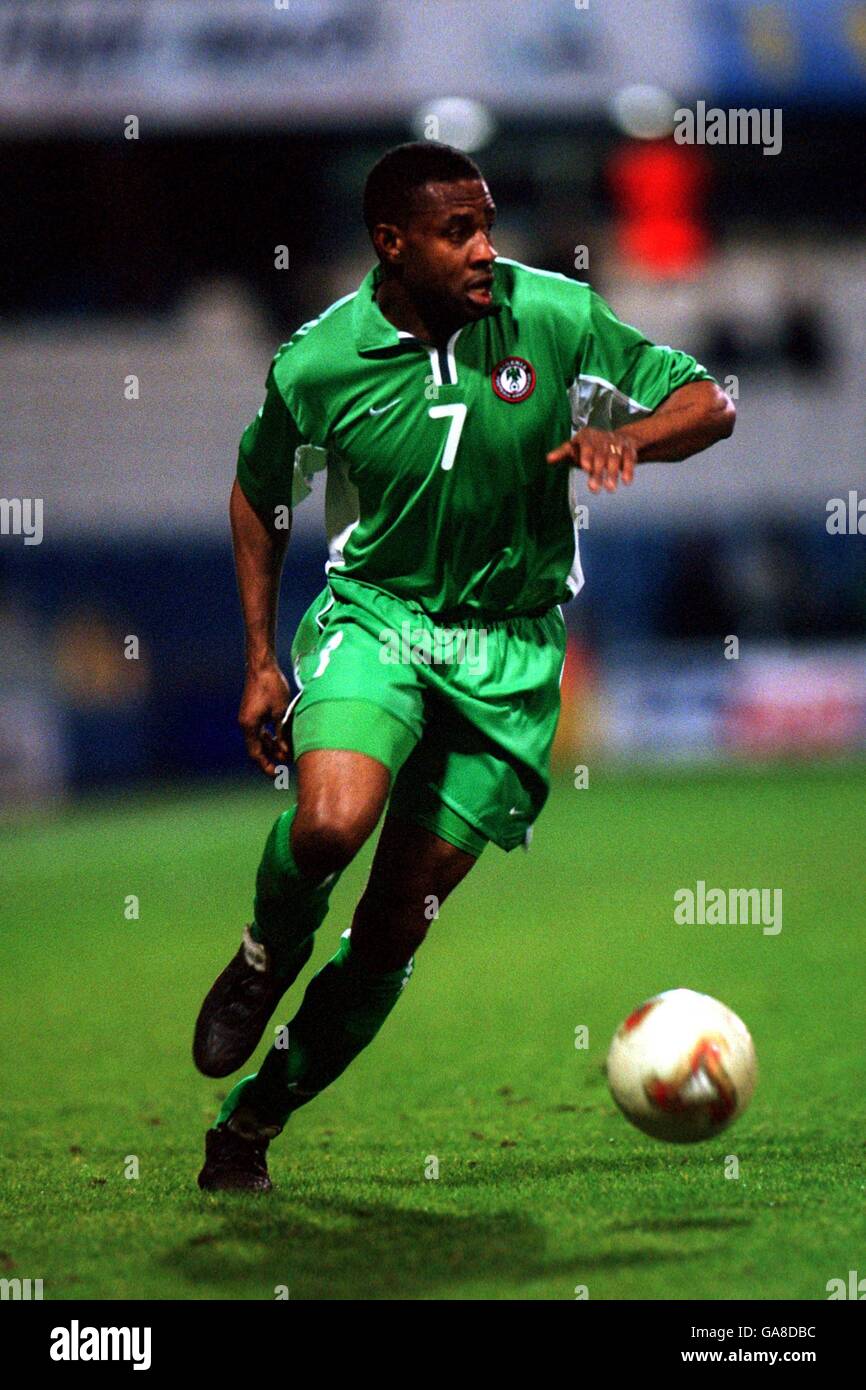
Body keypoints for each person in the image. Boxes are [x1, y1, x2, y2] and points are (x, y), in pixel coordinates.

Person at [193, 141, 735, 1192]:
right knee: (328, 822)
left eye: (487, 224)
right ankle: (263, 957)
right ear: (391, 244)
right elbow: (258, 494)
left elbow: (708, 400)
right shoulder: (316, 362)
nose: (485, 249)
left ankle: (254, 1116)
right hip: (382, 619)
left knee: (396, 924)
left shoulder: (551, 315)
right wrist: (261, 657)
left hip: (510, 651)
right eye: (458, 231)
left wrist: (633, 439)